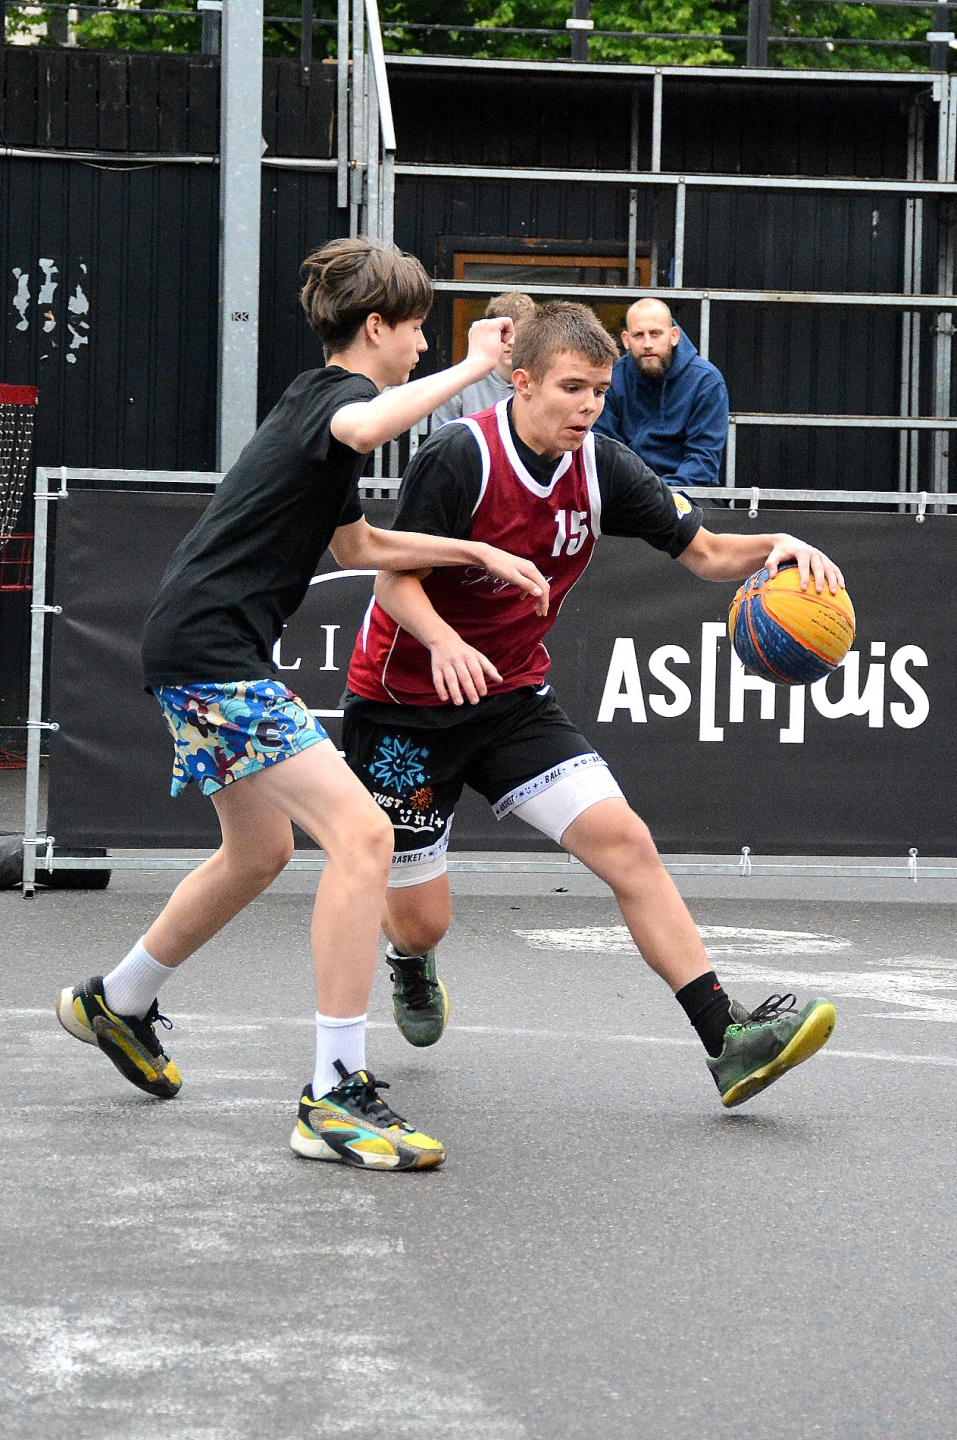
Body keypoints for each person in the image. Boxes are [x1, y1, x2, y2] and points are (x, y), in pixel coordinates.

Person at [54, 237, 551, 1173]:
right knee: (364, 837)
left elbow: (357, 548)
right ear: (377, 328)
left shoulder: (312, 409)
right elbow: (367, 426)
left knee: (259, 852)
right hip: (211, 654)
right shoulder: (337, 401)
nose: (420, 347)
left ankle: (116, 1001)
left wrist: (473, 551)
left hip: (203, 647)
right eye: (416, 332)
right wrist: (475, 367)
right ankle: (333, 1095)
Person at [341, 300, 838, 1110]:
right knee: (423, 921)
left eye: (600, 392)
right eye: (571, 389)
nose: (588, 407)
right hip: (406, 707)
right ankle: (409, 958)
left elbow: (707, 552)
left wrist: (774, 546)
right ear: (521, 381)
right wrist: (444, 642)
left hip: (511, 698)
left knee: (626, 843)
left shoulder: (603, 466)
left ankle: (727, 1040)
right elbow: (393, 583)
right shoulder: (458, 456)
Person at [593, 296, 729, 499]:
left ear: (674, 336)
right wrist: (637, 493)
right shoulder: (612, 378)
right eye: (639, 335)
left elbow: (702, 461)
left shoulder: (706, 381)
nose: (647, 343)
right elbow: (604, 450)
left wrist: (658, 496)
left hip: (688, 494)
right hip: (627, 495)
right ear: (626, 340)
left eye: (655, 334)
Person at [430, 291, 536, 430]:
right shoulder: (458, 384)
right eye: (504, 332)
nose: (511, 341)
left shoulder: (542, 384)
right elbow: (441, 439)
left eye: (520, 334)